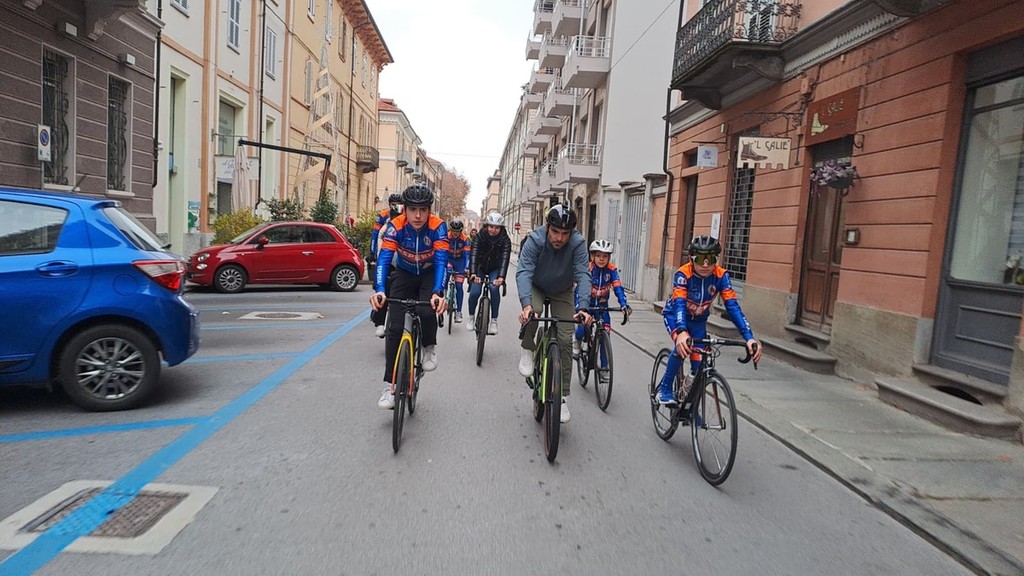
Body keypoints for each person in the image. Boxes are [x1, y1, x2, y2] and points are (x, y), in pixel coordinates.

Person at [657, 235, 763, 405]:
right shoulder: (683, 274)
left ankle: (690, 408)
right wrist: (682, 331)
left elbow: (733, 307)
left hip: (699, 321)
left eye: (711, 259)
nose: (705, 265)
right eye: (700, 259)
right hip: (675, 315)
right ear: (691, 259)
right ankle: (664, 389)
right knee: (682, 348)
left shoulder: (721, 276)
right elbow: (679, 304)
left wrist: (749, 337)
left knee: (699, 366)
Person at [370, 184, 448, 410]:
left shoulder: (438, 226)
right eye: (412, 209)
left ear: (429, 210)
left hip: (428, 273)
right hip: (404, 273)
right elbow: (384, 258)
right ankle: (389, 387)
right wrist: (380, 289)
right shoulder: (395, 226)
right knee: (394, 328)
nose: (418, 216)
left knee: (426, 310)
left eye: (423, 210)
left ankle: (429, 346)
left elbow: (441, 261)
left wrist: (438, 292)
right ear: (404, 210)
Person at [517, 205, 592, 424]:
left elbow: (583, 274)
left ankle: (562, 396)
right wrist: (526, 305)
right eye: (555, 231)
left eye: (565, 233)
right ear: (548, 226)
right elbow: (524, 271)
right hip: (537, 285)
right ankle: (528, 348)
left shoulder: (578, 244)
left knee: (565, 338)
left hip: (562, 290)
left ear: (572, 232)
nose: (559, 238)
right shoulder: (535, 240)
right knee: (534, 313)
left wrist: (583, 307)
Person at [573, 239, 632, 359]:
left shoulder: (612, 270)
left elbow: (618, 288)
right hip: (587, 305)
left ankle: (605, 367)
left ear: (609, 257)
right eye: (598, 255)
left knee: (605, 337)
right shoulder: (588, 269)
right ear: (592, 256)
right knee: (582, 329)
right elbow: (579, 290)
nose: (601, 259)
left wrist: (623, 304)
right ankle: (577, 340)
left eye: (605, 256)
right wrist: (580, 308)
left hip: (602, 307)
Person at [467, 212, 512, 335]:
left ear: (501, 228)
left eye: (497, 227)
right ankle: (471, 316)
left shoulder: (505, 240)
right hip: (480, 268)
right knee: (475, 292)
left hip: (495, 269)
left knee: (494, 288)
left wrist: (501, 277)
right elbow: (474, 254)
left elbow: (504, 259)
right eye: (491, 226)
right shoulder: (479, 237)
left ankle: (494, 320)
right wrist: (473, 273)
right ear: (487, 226)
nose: (493, 230)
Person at [369, 193, 403, 338]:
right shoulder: (383, 222)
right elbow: (375, 237)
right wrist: (373, 255)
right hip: (387, 260)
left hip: (402, 263)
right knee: (383, 288)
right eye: (392, 203)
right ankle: (379, 322)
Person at [446, 220, 471, 323]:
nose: (455, 233)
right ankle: (443, 294)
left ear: (461, 231)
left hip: (460, 262)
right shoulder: (446, 237)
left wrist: (466, 268)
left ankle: (459, 312)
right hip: (449, 259)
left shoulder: (466, 239)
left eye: (457, 231)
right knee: (447, 273)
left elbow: (467, 256)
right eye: (453, 231)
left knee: (459, 286)